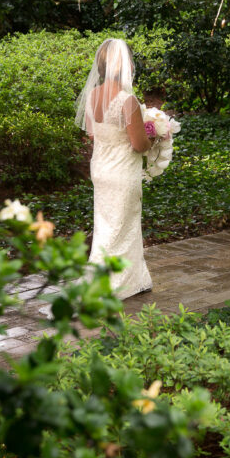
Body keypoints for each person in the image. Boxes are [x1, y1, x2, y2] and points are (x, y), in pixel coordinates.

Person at [74, 38, 153, 298]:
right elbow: (139, 144)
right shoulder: (127, 101)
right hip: (122, 173)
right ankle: (120, 282)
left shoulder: (92, 96)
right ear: (122, 66)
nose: (132, 64)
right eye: (129, 59)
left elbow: (93, 136)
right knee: (124, 225)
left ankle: (115, 276)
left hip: (101, 170)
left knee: (106, 226)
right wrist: (157, 136)